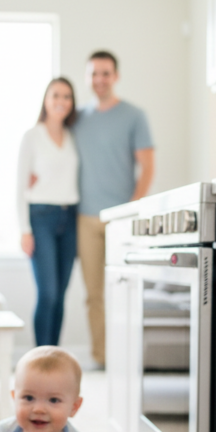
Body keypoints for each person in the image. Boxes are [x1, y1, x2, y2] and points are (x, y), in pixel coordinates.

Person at [72, 50, 155, 368]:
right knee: (94, 294)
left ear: (115, 76)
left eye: (105, 73)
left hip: (121, 219)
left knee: (126, 289)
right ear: (87, 77)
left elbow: (147, 167)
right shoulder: (77, 118)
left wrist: (132, 208)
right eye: (94, 73)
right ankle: (102, 358)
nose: (100, 79)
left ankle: (128, 357)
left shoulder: (134, 116)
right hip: (85, 218)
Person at [16, 77, 79, 347]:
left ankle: (54, 356)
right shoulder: (32, 136)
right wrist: (24, 230)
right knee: (48, 293)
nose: (61, 101)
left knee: (61, 295)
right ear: (46, 100)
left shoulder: (73, 137)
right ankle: (40, 357)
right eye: (55, 95)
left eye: (66, 96)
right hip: (41, 217)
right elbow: (20, 186)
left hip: (71, 217)